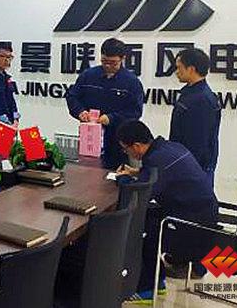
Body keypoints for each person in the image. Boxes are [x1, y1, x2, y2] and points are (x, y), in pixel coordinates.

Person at [116, 120, 217, 302]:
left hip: (192, 228)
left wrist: (121, 179)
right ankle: (159, 281)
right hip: (204, 215)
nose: (127, 153)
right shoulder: (170, 147)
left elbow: (139, 195)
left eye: (125, 149)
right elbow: (161, 176)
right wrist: (137, 173)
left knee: (142, 228)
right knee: (150, 217)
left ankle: (147, 289)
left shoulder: (155, 161)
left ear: (136, 146)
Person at [65, 38, 144, 169]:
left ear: (122, 59)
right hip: (89, 136)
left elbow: (135, 111)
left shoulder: (131, 82)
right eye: (104, 61)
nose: (107, 66)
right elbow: (72, 96)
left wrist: (111, 118)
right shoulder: (88, 75)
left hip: (118, 141)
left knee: (113, 174)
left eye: (113, 63)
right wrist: (80, 111)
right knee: (86, 171)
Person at [170, 48, 221, 186]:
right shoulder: (189, 94)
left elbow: (199, 141)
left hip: (194, 168)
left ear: (191, 69)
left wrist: (186, 166)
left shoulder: (202, 99)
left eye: (179, 68)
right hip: (183, 162)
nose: (176, 72)